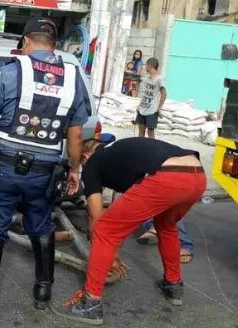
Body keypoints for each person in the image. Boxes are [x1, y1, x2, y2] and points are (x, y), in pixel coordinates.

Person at [0, 17, 88, 326]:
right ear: (53, 45)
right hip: (45, 171)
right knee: (41, 225)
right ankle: (43, 290)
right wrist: (74, 169)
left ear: (26, 42)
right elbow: (76, 134)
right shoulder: (73, 78)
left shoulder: (13, 71)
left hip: (5, 168)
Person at [54, 138, 206, 326]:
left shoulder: (93, 162)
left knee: (104, 229)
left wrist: (110, 254)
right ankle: (173, 285)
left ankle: (90, 302)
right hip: (197, 174)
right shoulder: (118, 150)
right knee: (166, 227)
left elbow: (96, 218)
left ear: (85, 156)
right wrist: (112, 251)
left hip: (167, 177)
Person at [136, 58, 166, 138]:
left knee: (150, 133)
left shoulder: (160, 79)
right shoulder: (148, 78)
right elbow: (145, 94)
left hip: (152, 110)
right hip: (142, 109)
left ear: (150, 66)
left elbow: (164, 93)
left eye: (146, 65)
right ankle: (140, 147)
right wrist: (139, 106)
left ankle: (152, 149)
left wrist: (159, 107)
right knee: (141, 131)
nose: (145, 67)